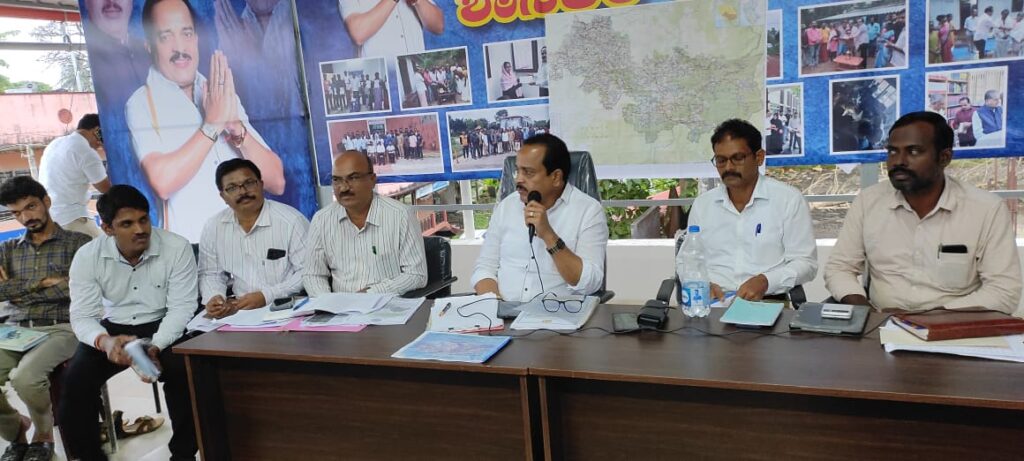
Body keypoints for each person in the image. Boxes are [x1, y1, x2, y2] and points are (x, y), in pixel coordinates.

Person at [824, 111, 1021, 313]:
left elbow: (1004, 291)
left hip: (954, 324)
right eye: (893, 151)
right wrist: (866, 312)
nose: (899, 161)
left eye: (914, 151)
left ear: (944, 158)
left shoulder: (986, 209)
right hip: (880, 322)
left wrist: (925, 319)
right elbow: (839, 268)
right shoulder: (868, 202)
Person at [125, 0, 285, 242]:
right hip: (194, 247)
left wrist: (237, 129)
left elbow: (276, 182)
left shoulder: (219, 93)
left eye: (186, 33)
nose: (180, 47)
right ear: (149, 45)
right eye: (166, 37)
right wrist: (212, 125)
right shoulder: (141, 103)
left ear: (197, 39)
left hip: (249, 240)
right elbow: (163, 183)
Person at [62, 185, 199, 461]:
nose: (140, 229)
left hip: (164, 325)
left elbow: (182, 308)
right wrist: (105, 342)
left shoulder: (176, 247)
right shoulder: (88, 256)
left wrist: (155, 346)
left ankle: (183, 456)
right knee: (75, 384)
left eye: (143, 220)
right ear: (107, 228)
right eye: (127, 224)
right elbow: (83, 316)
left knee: (185, 376)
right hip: (113, 329)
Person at [0, 177, 91, 461]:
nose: (25, 217)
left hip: (61, 328)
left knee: (25, 378)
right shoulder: (7, 249)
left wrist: (19, 290)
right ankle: (16, 431)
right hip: (14, 330)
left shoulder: (79, 243)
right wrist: (42, 283)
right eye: (16, 212)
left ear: (46, 202)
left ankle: (43, 436)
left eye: (31, 207)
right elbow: (1, 292)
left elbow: (78, 289)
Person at [679, 119, 816, 303]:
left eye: (737, 158)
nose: (728, 167)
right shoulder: (703, 204)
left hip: (766, 301)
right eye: (721, 160)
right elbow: (686, 260)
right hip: (712, 302)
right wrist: (701, 283)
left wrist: (766, 281)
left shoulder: (788, 200)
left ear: (759, 157)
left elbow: (806, 264)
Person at [471, 134, 608, 301]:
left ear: (556, 177)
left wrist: (548, 235)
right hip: (504, 310)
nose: (518, 179)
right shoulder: (507, 206)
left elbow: (590, 283)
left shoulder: (588, 211)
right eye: (517, 170)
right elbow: (484, 268)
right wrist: (495, 306)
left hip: (558, 314)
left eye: (528, 172)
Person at [304, 151, 426, 295]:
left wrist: (370, 294)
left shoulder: (400, 215)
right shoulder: (321, 220)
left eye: (353, 178)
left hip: (388, 304)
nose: (343, 188)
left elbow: (416, 275)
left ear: (372, 180)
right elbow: (313, 274)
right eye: (336, 180)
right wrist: (327, 301)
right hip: (341, 307)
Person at [200, 159, 308, 318]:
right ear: (223, 196)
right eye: (232, 188)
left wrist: (267, 295)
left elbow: (308, 271)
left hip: (287, 307)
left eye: (249, 183)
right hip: (239, 310)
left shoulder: (291, 221)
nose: (243, 192)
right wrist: (215, 297)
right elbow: (210, 273)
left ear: (261, 184)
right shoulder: (213, 227)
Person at [38, 113, 111, 238]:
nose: (100, 144)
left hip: (50, 217)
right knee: (105, 247)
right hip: (72, 217)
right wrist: (110, 152)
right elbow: (107, 189)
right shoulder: (86, 151)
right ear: (97, 131)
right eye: (104, 136)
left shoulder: (55, 143)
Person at [340, 0, 443, 58]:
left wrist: (418, 1)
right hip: (384, 75)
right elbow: (359, 33)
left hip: (414, 63)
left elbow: (439, 26)